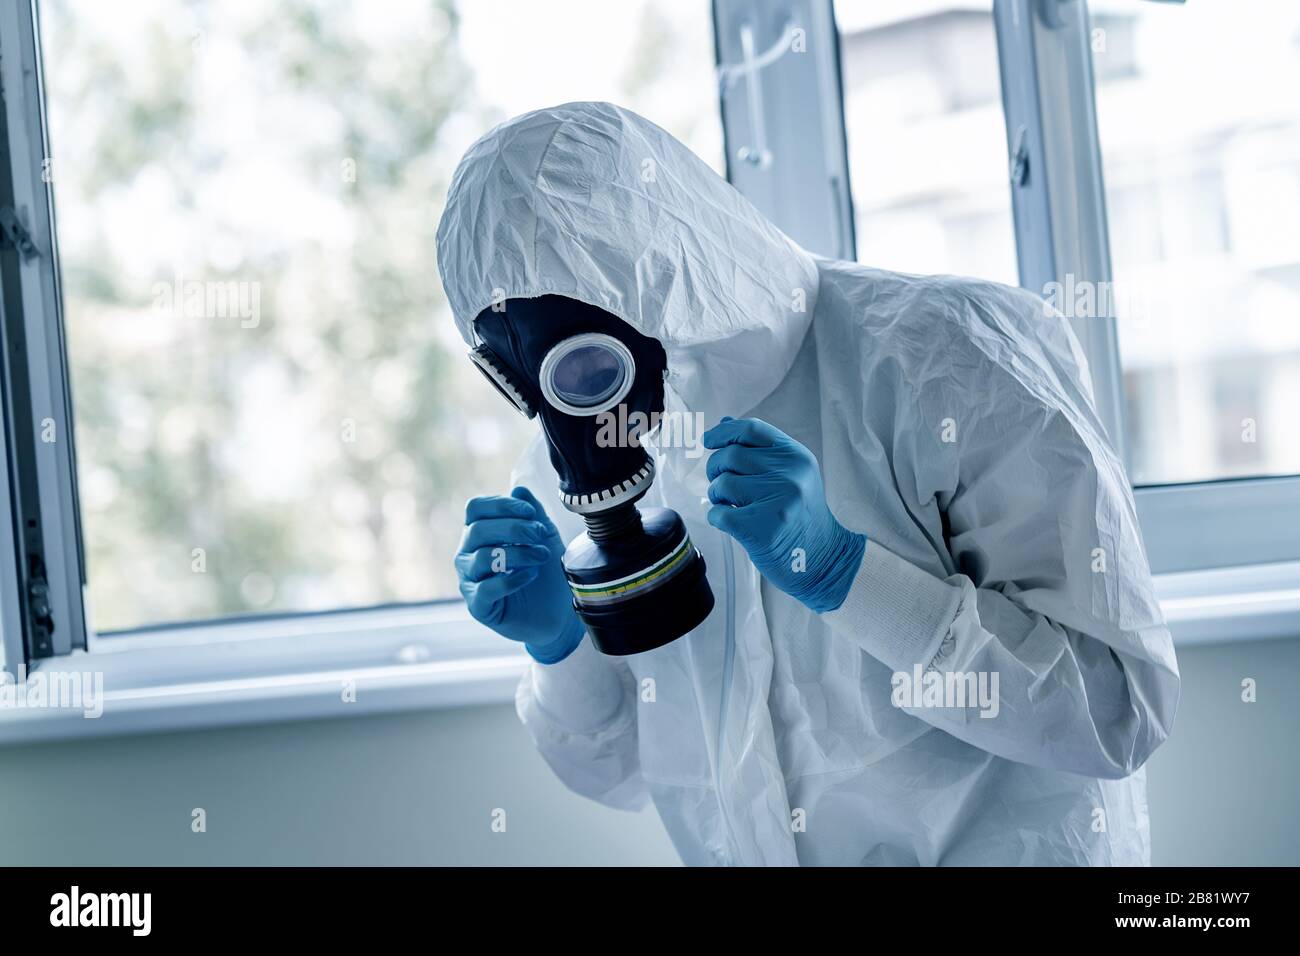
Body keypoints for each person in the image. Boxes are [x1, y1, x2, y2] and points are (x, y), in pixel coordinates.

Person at [437, 101, 1179, 866]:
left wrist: (849, 574)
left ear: (652, 279)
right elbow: (621, 775)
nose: (569, 414)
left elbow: (1117, 711)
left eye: (587, 364)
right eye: (522, 375)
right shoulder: (576, 457)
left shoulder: (950, 357)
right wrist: (559, 645)